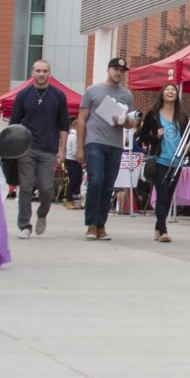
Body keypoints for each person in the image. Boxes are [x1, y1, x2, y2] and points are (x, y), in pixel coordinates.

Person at [75, 57, 137, 241]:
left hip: (115, 144)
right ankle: (91, 224)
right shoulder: (93, 91)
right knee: (96, 180)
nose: (119, 72)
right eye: (116, 68)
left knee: (108, 185)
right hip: (94, 141)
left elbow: (130, 123)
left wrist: (125, 120)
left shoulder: (127, 95)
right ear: (108, 69)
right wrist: (80, 147)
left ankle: (101, 224)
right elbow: (81, 119)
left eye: (122, 70)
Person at [9, 59, 71, 238]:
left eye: (44, 71)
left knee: (46, 188)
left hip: (48, 148)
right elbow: (14, 123)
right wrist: (13, 147)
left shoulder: (58, 96)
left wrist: (62, 149)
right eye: (38, 71)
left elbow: (64, 124)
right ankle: (24, 225)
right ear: (32, 73)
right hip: (26, 148)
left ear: (49, 73)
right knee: (26, 188)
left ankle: (42, 214)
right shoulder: (23, 95)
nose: (41, 74)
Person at [136, 83, 190, 243]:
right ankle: (164, 230)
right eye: (167, 89)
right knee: (162, 194)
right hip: (160, 160)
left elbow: (186, 138)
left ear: (177, 95)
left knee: (168, 196)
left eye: (173, 90)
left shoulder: (182, 116)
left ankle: (158, 228)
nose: (170, 92)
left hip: (177, 162)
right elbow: (141, 137)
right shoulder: (153, 115)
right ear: (162, 94)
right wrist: (155, 137)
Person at [63, 127, 83, 209]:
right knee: (74, 181)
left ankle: (74, 201)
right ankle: (69, 201)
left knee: (74, 181)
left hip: (69, 160)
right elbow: (75, 152)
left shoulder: (69, 136)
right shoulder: (74, 137)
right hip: (73, 161)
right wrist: (82, 160)